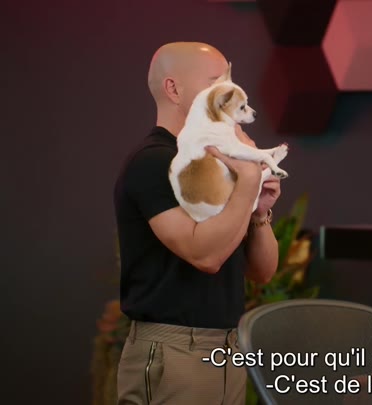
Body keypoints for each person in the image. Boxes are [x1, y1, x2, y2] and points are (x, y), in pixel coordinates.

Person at [114, 42, 280, 404]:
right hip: (175, 351)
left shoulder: (221, 163)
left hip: (226, 349)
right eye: (215, 82)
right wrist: (248, 181)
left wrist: (258, 212)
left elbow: (262, 271)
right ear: (174, 89)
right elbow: (205, 256)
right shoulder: (153, 162)